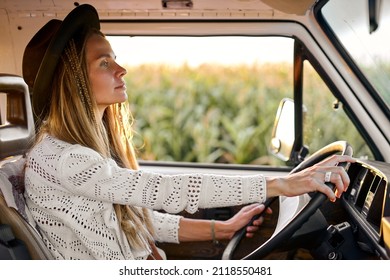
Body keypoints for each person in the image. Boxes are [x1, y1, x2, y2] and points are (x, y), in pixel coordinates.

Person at [22, 4, 354, 260]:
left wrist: (221, 228)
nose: (122, 70)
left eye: (115, 59)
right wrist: (281, 182)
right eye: (104, 63)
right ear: (73, 80)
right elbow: (166, 189)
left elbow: (139, 219)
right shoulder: (64, 158)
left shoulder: (85, 150)